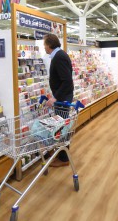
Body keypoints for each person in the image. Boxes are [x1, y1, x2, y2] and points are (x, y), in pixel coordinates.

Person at [44, 33, 74, 167]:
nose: (44, 47)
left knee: (61, 127)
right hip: (62, 98)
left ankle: (63, 158)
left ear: (49, 45)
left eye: (44, 44)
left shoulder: (59, 57)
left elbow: (67, 81)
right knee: (61, 126)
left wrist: (55, 97)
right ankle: (61, 154)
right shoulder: (59, 55)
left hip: (62, 100)